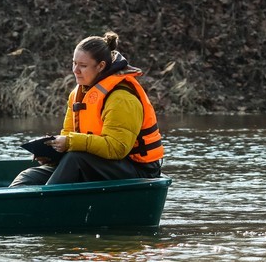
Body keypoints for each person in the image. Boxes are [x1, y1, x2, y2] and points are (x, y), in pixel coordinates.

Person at [11, 31, 164, 187]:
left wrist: (70, 142)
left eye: (83, 66)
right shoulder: (77, 95)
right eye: (74, 63)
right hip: (96, 163)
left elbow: (117, 148)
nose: (75, 70)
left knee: (75, 159)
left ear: (101, 66)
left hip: (138, 171)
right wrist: (52, 153)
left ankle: (45, 205)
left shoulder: (122, 98)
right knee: (30, 176)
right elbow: (69, 135)